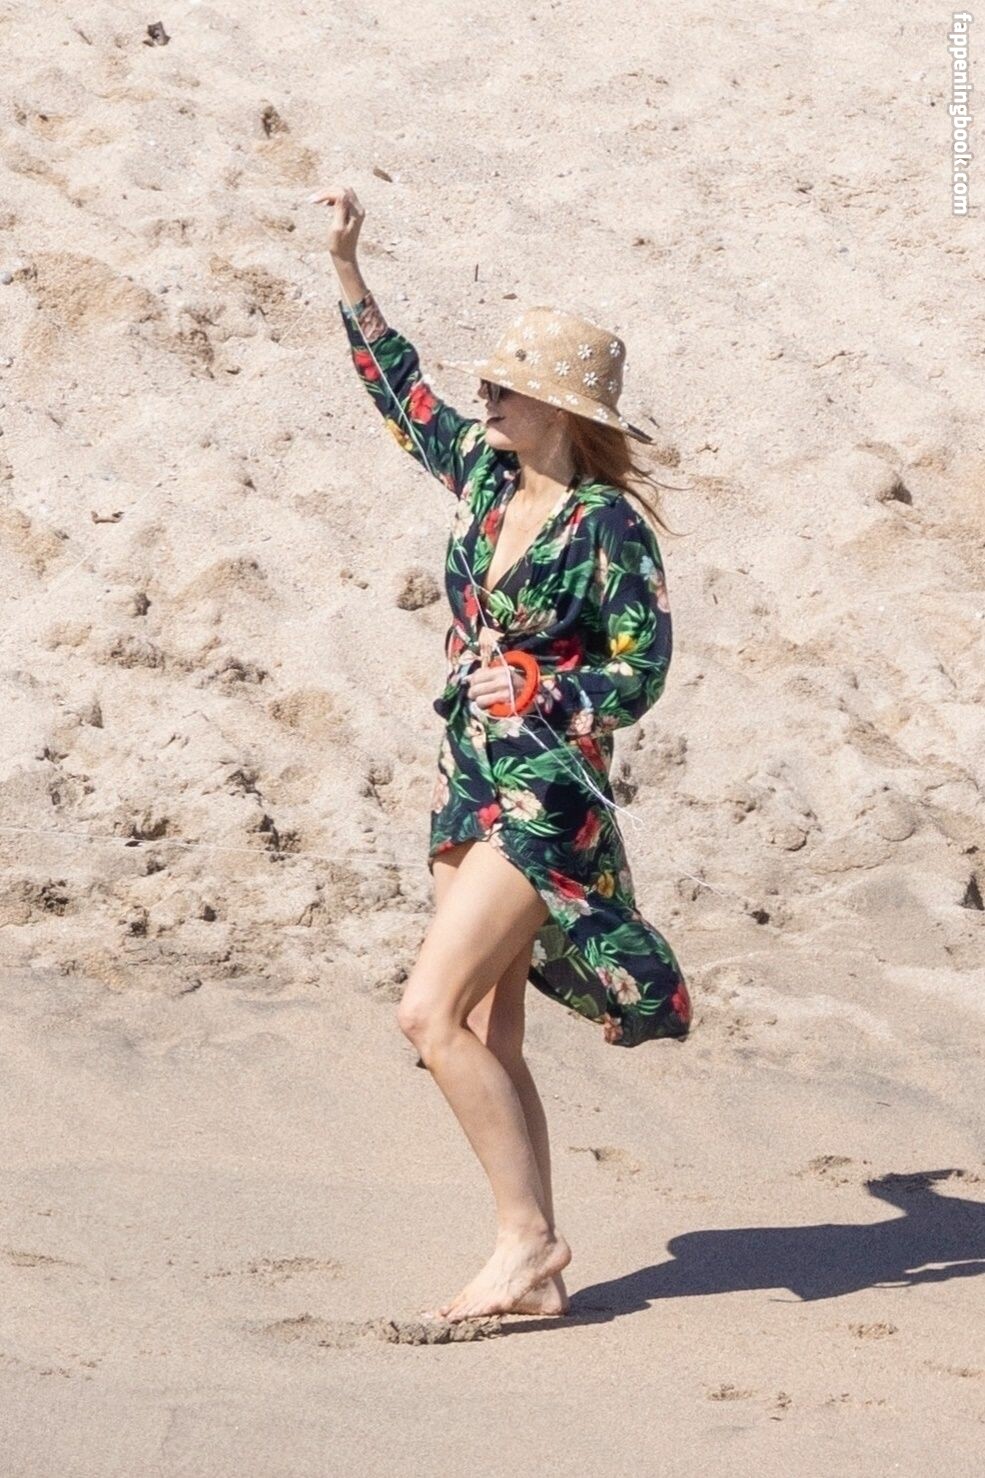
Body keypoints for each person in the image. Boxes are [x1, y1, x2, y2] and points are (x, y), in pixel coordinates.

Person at [311, 185, 692, 1322]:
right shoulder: (483, 475)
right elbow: (401, 394)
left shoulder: (607, 527)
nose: (481, 400)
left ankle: (526, 1239)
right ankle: (541, 1272)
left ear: (558, 409)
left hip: (545, 792)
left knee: (425, 1014)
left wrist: (547, 687)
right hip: (467, 777)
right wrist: (348, 269)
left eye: (503, 389)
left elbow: (641, 671)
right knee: (485, 1027)